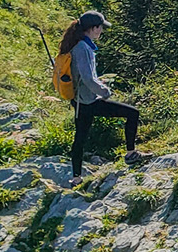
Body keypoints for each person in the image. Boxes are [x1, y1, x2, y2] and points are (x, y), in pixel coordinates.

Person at [60, 11, 144, 183]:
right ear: (93, 28)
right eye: (100, 28)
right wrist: (105, 92)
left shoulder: (77, 45)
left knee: (80, 139)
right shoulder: (84, 49)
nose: (101, 32)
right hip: (89, 101)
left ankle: (76, 178)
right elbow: (88, 78)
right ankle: (130, 154)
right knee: (132, 113)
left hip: (79, 102)